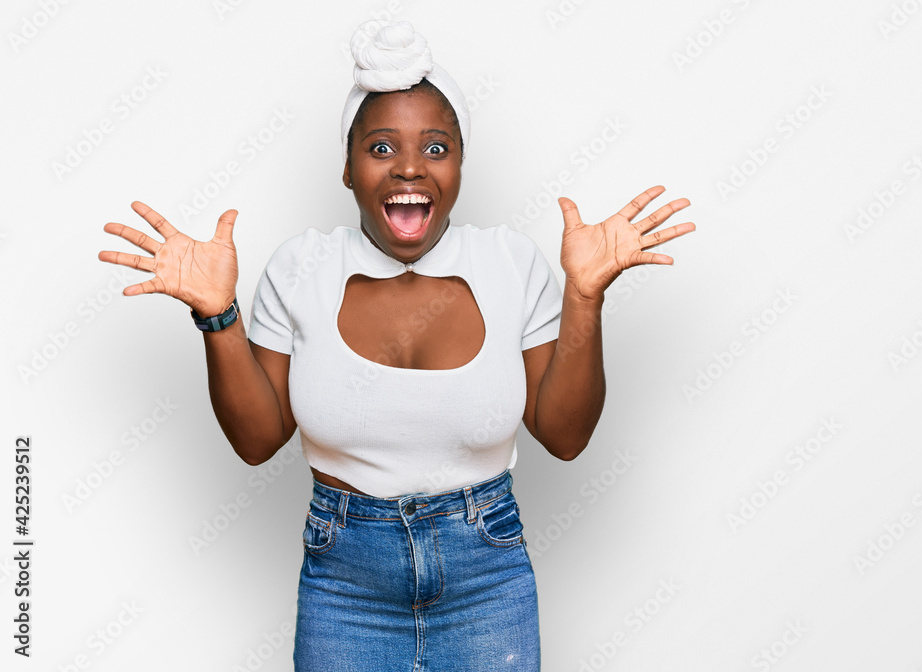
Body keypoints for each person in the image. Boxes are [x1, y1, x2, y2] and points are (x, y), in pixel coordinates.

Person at [98, 20, 695, 672]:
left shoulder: (509, 262)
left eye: (436, 148)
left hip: (486, 577)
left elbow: (565, 435)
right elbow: (256, 439)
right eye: (381, 148)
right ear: (348, 169)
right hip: (344, 580)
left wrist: (585, 297)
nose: (410, 166)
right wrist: (218, 317)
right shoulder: (303, 267)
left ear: (460, 165)